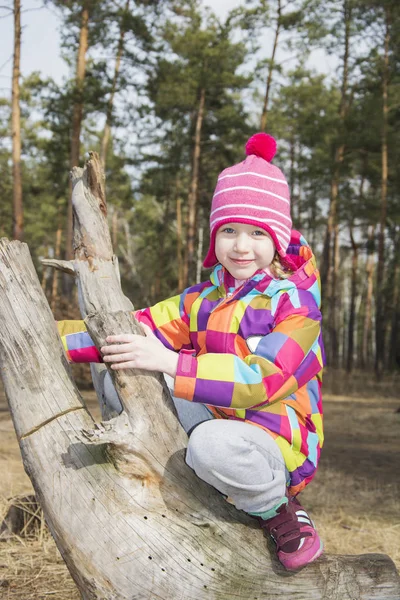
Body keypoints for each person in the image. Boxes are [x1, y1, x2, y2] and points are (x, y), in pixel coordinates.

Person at [57, 132, 325, 571]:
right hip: (213, 417)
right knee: (123, 359)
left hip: (272, 442)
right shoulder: (200, 300)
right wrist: (48, 338)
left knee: (211, 445)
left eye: (257, 232)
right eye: (230, 231)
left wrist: (171, 361)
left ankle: (276, 508)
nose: (241, 245)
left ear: (277, 238)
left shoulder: (296, 307)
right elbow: (131, 328)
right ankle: (135, 469)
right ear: (214, 236)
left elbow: (262, 379)